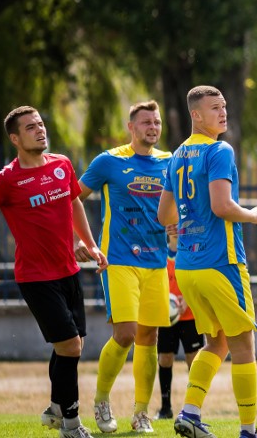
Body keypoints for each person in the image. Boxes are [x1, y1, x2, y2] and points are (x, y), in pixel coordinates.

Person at [0, 105, 108, 438]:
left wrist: (89, 242)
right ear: (15, 138)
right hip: (36, 278)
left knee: (71, 347)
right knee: (71, 346)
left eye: (41, 124)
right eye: (31, 127)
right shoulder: (4, 179)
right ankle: (71, 425)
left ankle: (57, 406)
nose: (40, 129)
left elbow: (74, 202)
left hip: (69, 272)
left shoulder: (62, 164)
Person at [157, 85, 257, 438]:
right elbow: (222, 206)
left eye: (224, 106)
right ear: (196, 115)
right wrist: (252, 215)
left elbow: (164, 215)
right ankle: (248, 431)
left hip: (188, 266)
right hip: (221, 262)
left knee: (215, 343)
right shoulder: (220, 150)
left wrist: (187, 220)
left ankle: (189, 413)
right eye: (214, 108)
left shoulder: (177, 154)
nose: (223, 112)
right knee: (243, 346)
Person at [77, 100, 172, 434]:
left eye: (156, 122)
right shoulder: (109, 161)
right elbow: (73, 198)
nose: (153, 127)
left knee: (150, 335)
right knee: (126, 333)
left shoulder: (169, 162)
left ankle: (141, 413)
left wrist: (177, 227)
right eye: (145, 122)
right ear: (131, 127)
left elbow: (179, 209)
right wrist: (82, 241)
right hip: (117, 259)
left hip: (157, 262)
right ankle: (102, 401)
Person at [155, 248, 204, 420]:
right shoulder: (159, 253)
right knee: (165, 358)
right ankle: (165, 408)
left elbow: (201, 279)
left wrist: (188, 299)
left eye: (176, 222)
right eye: (169, 223)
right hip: (166, 317)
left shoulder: (192, 250)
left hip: (191, 316)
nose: (173, 227)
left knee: (194, 360)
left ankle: (194, 410)